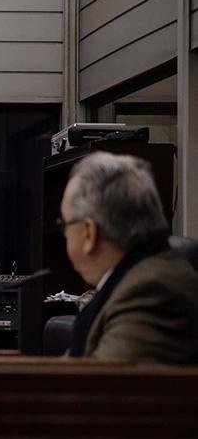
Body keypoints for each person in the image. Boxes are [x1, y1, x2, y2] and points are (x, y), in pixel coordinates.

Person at [60, 152, 198, 364]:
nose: (65, 235)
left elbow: (101, 388)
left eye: (65, 225)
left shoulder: (151, 292)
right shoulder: (139, 275)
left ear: (89, 232)